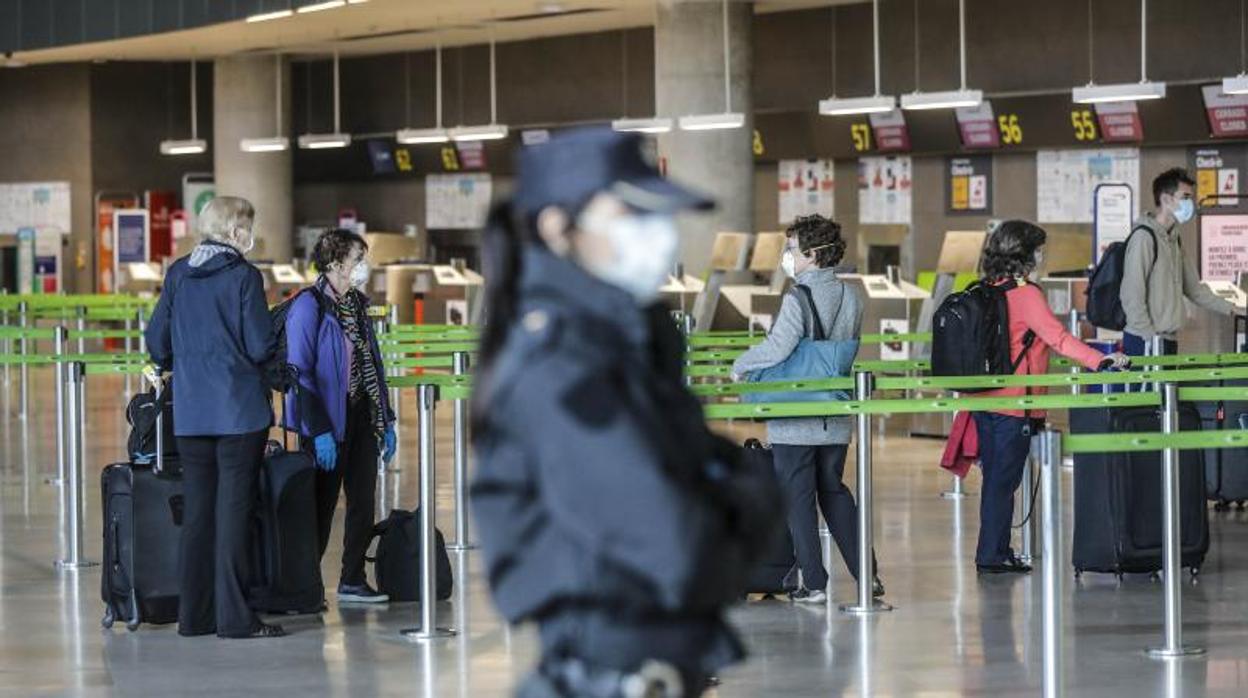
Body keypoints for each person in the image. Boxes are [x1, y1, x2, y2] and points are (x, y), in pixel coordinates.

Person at [470, 127, 776, 698]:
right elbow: (675, 546)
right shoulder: (561, 367)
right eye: (629, 215)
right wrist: (740, 501)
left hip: (659, 666)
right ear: (557, 228)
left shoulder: (622, 345)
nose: (655, 236)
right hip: (607, 676)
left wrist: (729, 499)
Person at [145, 196, 285, 638]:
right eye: (249, 225)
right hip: (239, 413)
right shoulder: (244, 277)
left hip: (190, 413)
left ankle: (196, 616)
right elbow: (260, 345)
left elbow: (156, 341)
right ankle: (236, 619)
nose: (252, 234)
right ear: (233, 231)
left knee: (199, 516)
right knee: (233, 515)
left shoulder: (179, 274)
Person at [730, 214, 880, 605]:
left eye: (792, 249)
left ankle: (813, 581)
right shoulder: (852, 297)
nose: (788, 256)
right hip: (835, 417)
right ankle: (869, 575)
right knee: (834, 491)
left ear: (812, 254)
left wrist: (740, 364)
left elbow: (778, 348)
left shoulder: (798, 297)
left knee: (797, 496)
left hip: (795, 416)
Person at [974, 220, 1130, 574]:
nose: (1042, 256)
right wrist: (1099, 360)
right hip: (1016, 403)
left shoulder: (989, 287)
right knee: (1004, 481)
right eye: (1039, 249)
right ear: (1025, 254)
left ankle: (993, 550)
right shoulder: (1026, 293)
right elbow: (1058, 338)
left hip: (985, 400)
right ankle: (991, 555)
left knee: (995, 480)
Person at [284, 228, 396, 604]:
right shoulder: (308, 306)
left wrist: (387, 418)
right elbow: (298, 373)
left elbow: (372, 365)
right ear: (334, 262)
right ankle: (304, 585)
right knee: (321, 506)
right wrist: (317, 429)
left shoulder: (359, 306)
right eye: (357, 258)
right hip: (326, 420)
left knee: (363, 500)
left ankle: (351, 579)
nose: (363, 266)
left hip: (361, 415)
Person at [1120, 167, 1236, 356]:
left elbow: (1195, 290)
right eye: (1185, 197)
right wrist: (1148, 337)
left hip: (1167, 339)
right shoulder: (1144, 237)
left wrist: (1233, 308)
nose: (1191, 203)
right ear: (1166, 199)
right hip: (1145, 340)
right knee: (1151, 387)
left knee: (1168, 387)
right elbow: (1132, 294)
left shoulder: (1174, 240)